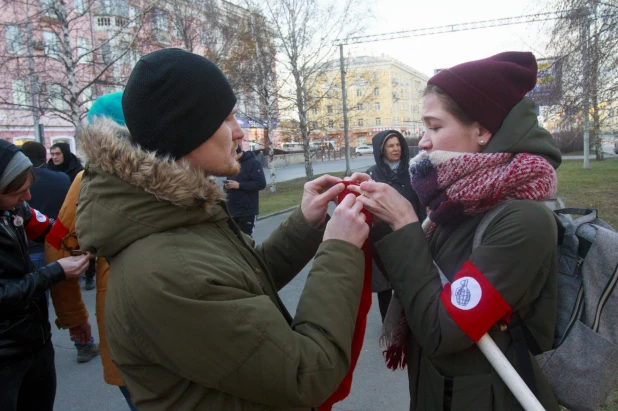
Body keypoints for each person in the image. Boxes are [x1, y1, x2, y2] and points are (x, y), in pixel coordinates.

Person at [74, 48, 369, 410]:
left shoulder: (176, 217)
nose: (239, 132)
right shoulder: (167, 272)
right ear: (185, 130)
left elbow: (241, 283)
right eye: (226, 118)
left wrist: (306, 222)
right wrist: (339, 249)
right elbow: (307, 372)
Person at [350, 52, 562, 410]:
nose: (424, 142)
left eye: (435, 127)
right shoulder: (457, 204)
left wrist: (405, 224)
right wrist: (376, 222)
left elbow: (441, 331)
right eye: (424, 128)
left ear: (481, 131)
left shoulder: (524, 219)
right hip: (439, 391)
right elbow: (418, 283)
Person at [46, 91, 135, 409]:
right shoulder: (185, 170)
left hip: (125, 330)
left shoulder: (88, 180)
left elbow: (58, 246)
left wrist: (75, 318)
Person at [0, 139, 91, 411]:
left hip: (35, 342)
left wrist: (82, 239)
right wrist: (54, 272)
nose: (27, 198)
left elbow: (52, 231)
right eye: (17, 192)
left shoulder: (15, 209)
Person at [365, 130, 425, 323]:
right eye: (390, 145)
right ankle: (387, 323)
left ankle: (411, 320)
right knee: (384, 285)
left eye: (398, 144)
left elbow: (421, 202)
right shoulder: (372, 174)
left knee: (409, 280)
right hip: (381, 239)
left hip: (408, 234)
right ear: (381, 150)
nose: (396, 149)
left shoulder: (412, 170)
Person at [20, 141, 70, 271]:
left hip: (30, 249)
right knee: (67, 290)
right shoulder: (63, 178)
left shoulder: (19, 181)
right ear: (44, 156)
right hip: (61, 245)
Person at [224, 144, 266, 236]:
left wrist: (240, 185)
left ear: (236, 153)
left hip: (247, 211)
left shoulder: (253, 163)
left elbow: (261, 183)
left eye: (230, 155)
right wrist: (227, 187)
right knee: (234, 241)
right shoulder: (232, 164)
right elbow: (231, 182)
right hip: (232, 210)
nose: (229, 158)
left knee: (246, 240)